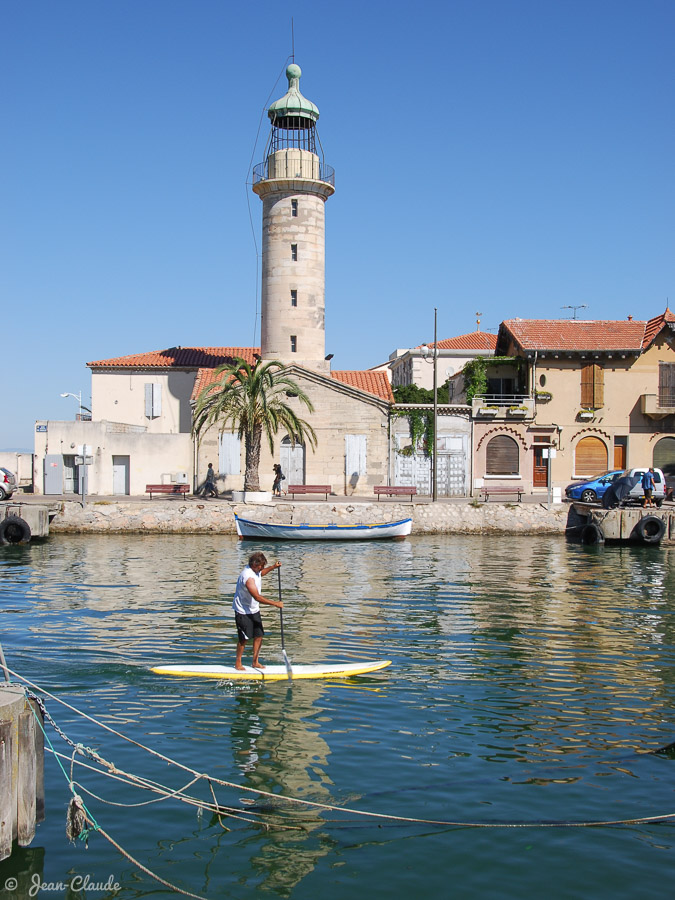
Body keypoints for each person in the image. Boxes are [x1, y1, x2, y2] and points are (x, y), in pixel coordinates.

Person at [233, 552, 282, 670]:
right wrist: (275, 603)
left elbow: (261, 573)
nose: (262, 568)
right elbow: (257, 597)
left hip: (254, 609)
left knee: (259, 636)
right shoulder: (247, 577)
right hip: (242, 611)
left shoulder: (256, 571)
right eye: (261, 566)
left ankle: (255, 662)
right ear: (255, 565)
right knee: (244, 639)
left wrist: (273, 567)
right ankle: (238, 663)